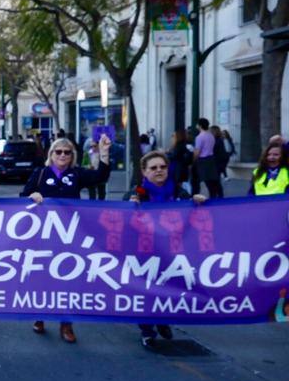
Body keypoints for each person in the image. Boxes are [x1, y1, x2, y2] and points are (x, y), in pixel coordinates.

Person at [21, 135, 111, 343]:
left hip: (70, 236)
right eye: (58, 151)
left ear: (72, 156)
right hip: (44, 235)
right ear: (51, 154)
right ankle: (40, 315)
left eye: (67, 152)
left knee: (68, 279)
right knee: (43, 277)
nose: (62, 155)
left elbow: (100, 177)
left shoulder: (76, 174)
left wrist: (104, 153)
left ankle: (66, 323)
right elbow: (23, 196)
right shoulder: (41, 173)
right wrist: (32, 196)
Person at [127, 151, 206, 347]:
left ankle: (162, 320)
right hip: (145, 251)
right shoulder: (136, 194)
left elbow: (194, 214)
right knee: (146, 290)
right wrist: (129, 208)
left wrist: (197, 202)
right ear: (144, 172)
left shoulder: (179, 192)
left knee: (167, 287)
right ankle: (147, 330)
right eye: (153, 168)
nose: (159, 170)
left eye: (162, 167)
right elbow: (123, 222)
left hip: (172, 250)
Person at [192, 118, 223, 198]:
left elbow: (197, 151)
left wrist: (193, 160)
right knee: (212, 181)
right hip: (211, 159)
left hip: (202, 160)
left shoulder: (199, 137)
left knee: (199, 180)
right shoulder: (211, 136)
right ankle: (215, 195)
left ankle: (195, 195)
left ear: (200, 126)